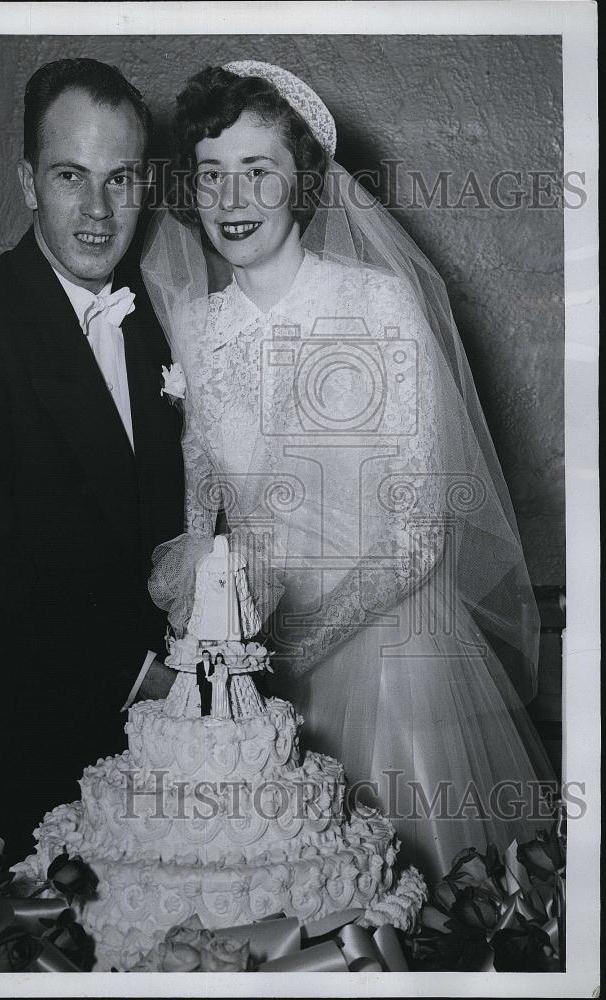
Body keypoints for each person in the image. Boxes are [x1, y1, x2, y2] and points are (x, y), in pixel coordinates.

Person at [142, 61, 556, 882]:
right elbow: (204, 509)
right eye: (212, 174)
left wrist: (295, 644)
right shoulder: (194, 323)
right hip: (253, 663)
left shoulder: (376, 306)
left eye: (258, 172)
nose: (231, 201)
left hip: (392, 656)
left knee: (398, 897)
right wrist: (206, 620)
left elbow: (418, 534)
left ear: (303, 184)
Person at [0, 58, 183, 859]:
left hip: (164, 770)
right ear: (27, 182)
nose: (97, 211)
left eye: (120, 178)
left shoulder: (158, 325)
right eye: (68, 176)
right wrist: (137, 678)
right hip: (20, 773)